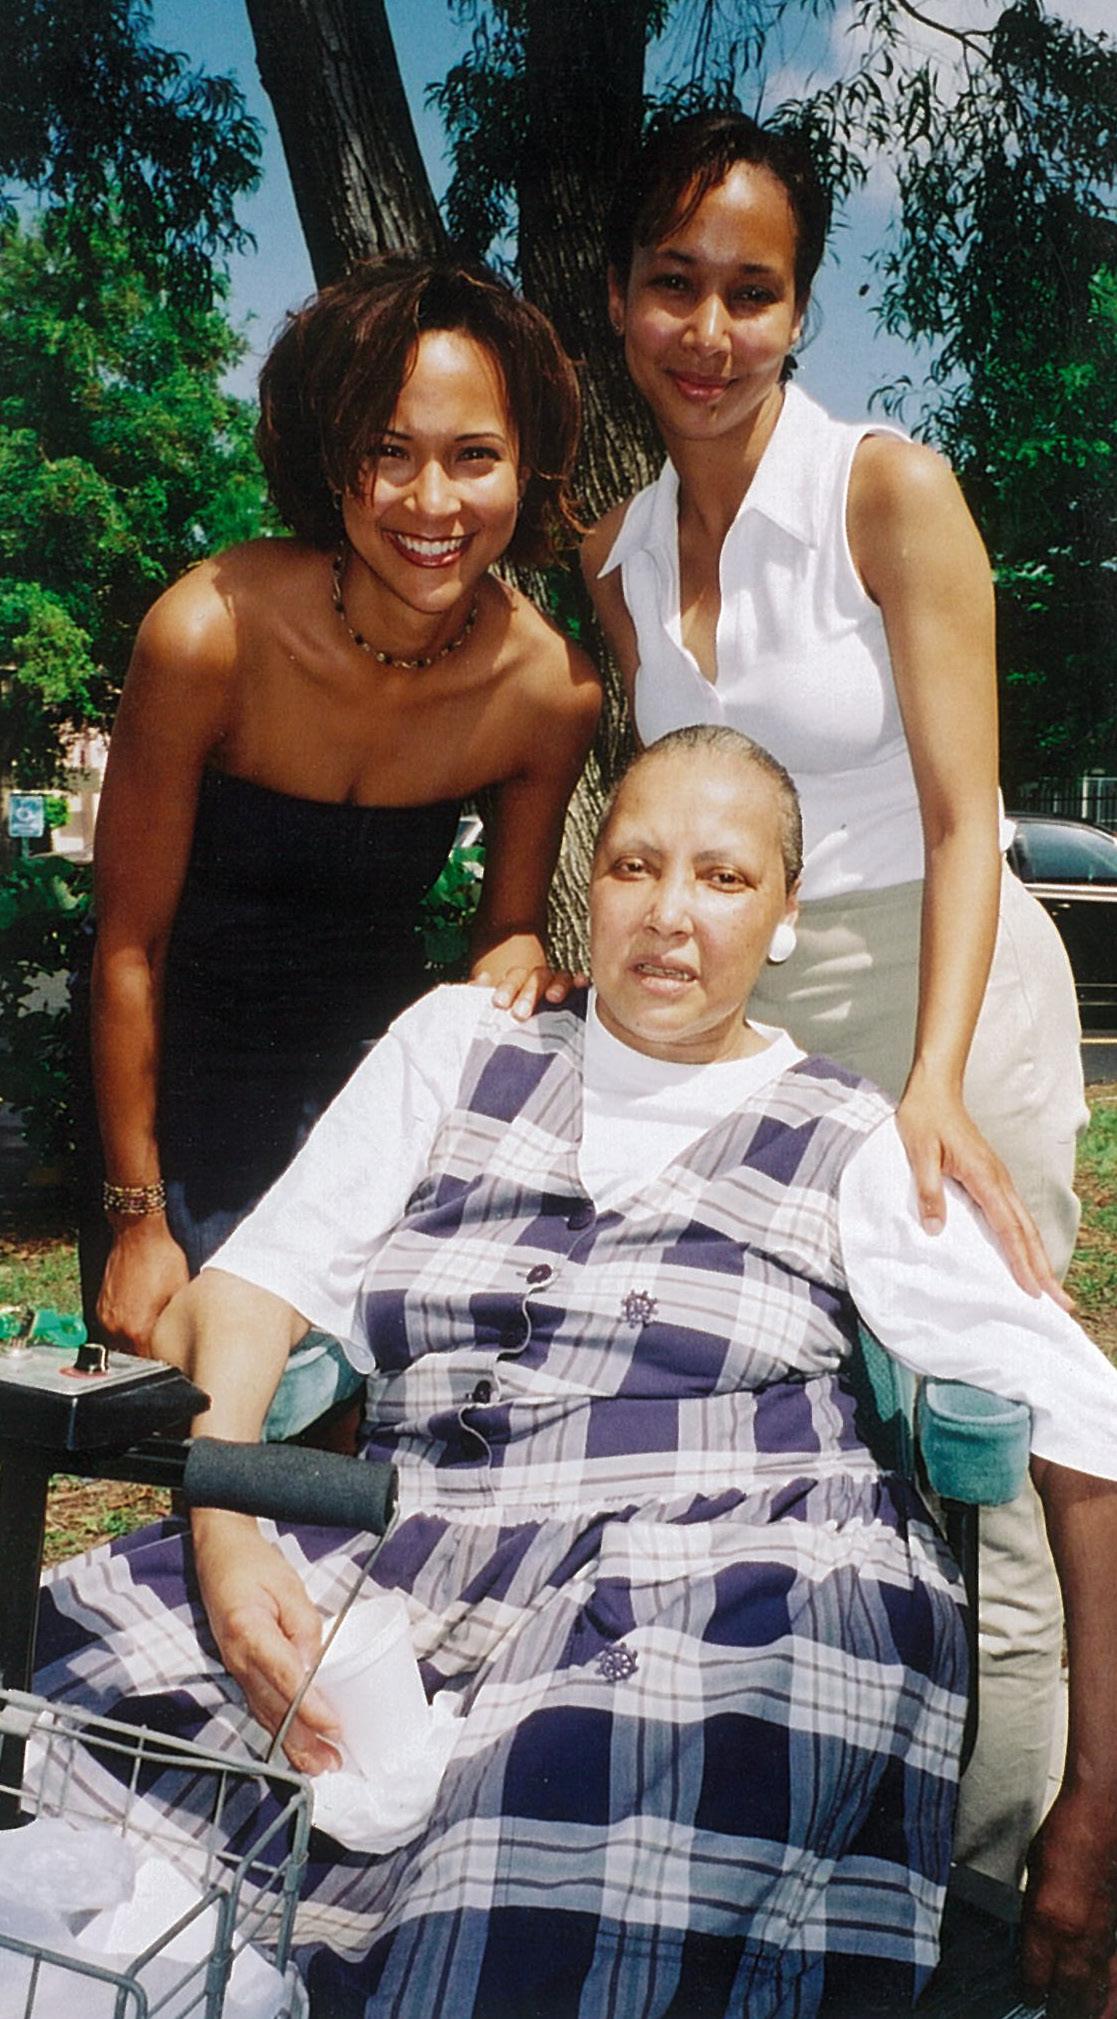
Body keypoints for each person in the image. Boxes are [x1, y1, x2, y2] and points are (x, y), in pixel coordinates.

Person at [36, 731, 1117, 2019]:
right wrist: (228, 1537)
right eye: (633, 867)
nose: (667, 916)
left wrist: (1097, 1788)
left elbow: (1081, 1417)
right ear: (586, 887)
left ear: (785, 915)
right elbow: (252, 1288)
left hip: (734, 1585)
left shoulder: (854, 1136)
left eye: (722, 880)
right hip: (423, 1551)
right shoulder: (460, 1044)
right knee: (66, 1687)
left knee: (528, 1861)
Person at [579, 108, 1089, 1886]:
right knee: (803, 1437)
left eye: (749, 290)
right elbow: (667, 817)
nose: (706, 330)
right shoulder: (617, 551)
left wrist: (935, 1080)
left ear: (796, 309)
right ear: (622, 298)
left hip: (948, 989)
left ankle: (1005, 1875)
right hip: (759, 1030)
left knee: (985, 1445)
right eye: (672, 285)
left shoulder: (885, 486)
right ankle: (816, 1843)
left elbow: (969, 820)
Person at [77, 251, 600, 1359]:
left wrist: (523, 969)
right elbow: (130, 942)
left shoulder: (548, 690)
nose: (432, 503)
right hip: (183, 1098)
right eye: (388, 453)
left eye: (474, 458)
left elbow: (503, 931)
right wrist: (136, 1215)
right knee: (226, 1420)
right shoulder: (209, 632)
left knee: (387, 1420)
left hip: (377, 1098)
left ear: (528, 466)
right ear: (334, 455)